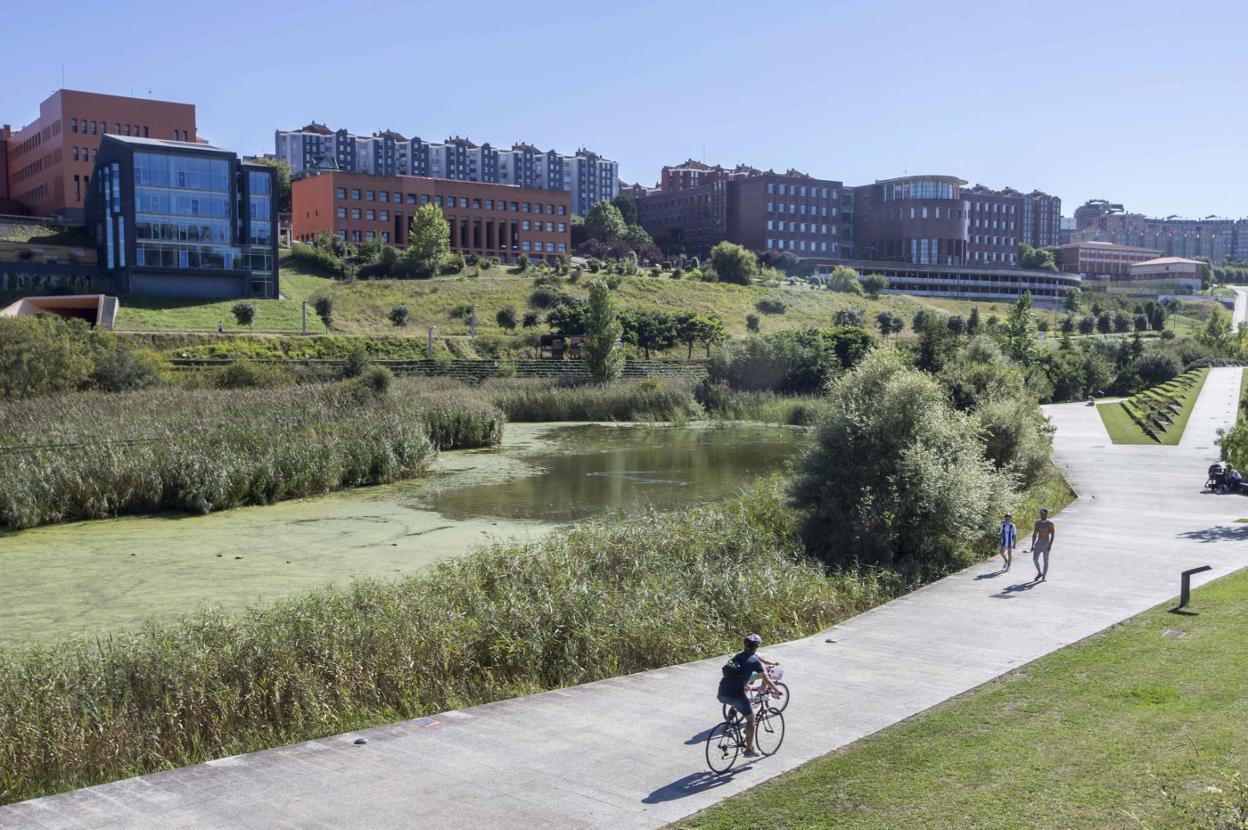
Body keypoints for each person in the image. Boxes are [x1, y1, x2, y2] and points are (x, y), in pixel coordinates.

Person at [717, 633, 783, 757]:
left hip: (722, 692)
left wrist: (743, 682)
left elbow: (726, 670)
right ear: (756, 647)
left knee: (737, 705)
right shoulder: (754, 660)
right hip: (736, 694)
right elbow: (767, 679)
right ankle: (749, 750)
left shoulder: (736, 657)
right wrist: (776, 690)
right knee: (751, 719)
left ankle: (728, 725)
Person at [1030, 508, 1056, 582]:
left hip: (1046, 542)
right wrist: (1032, 545)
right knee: (1035, 559)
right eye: (1041, 513)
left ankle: (1044, 576)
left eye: (1043, 514)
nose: (1042, 515)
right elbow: (1034, 534)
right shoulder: (1037, 523)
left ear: (1046, 514)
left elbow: (1053, 535)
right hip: (1038, 542)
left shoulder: (1050, 524)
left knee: (1045, 561)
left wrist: (1050, 545)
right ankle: (1039, 573)